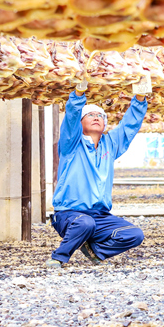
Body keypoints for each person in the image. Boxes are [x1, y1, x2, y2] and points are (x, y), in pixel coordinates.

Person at [45, 75, 152, 268]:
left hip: (99, 216)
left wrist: (140, 98)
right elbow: (70, 118)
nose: (97, 117)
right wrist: (78, 94)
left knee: (134, 234)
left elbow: (129, 127)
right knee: (84, 223)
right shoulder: (71, 145)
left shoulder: (110, 144)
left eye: (101, 116)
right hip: (69, 215)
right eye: (90, 115)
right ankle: (59, 257)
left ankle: (95, 251)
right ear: (80, 123)